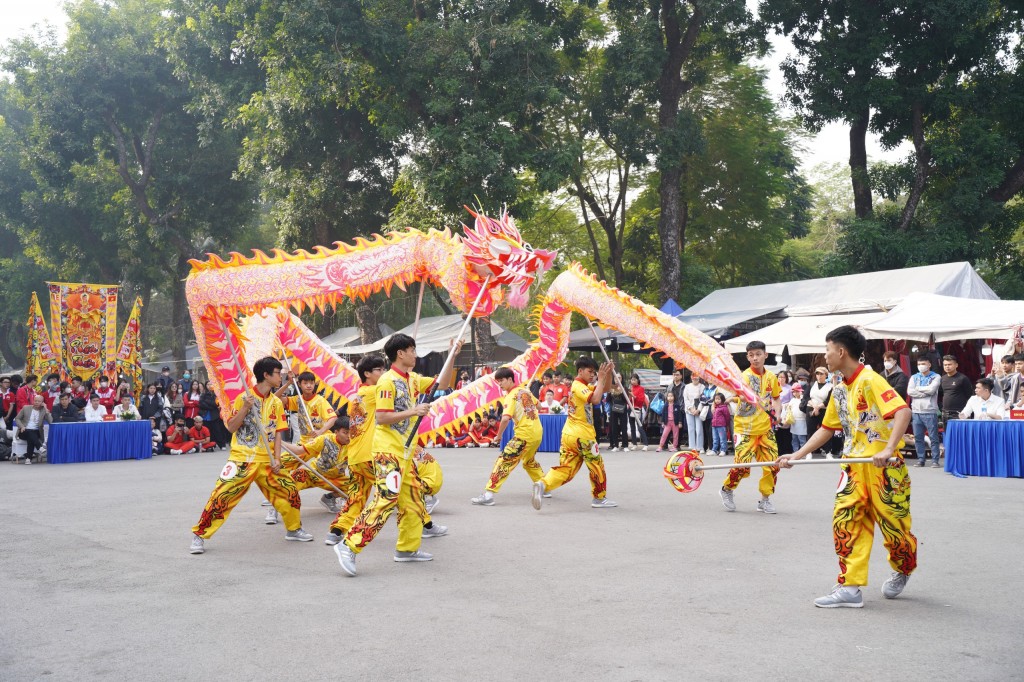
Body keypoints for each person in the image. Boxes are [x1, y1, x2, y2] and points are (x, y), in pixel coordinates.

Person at [779, 325, 916, 609]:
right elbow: (827, 429)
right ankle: (849, 587)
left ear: (841, 351)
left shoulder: (871, 380)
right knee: (845, 523)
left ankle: (904, 567)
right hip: (854, 468)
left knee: (896, 531)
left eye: (827, 351)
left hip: (885, 469)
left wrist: (888, 448)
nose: (824, 357)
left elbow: (902, 411)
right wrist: (797, 454)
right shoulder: (839, 389)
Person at [333, 334, 460, 576]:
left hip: (405, 452)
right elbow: (382, 417)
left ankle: (406, 550)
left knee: (413, 500)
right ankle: (348, 545)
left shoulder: (412, 379)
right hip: (387, 452)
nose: (416, 354)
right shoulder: (386, 382)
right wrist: (413, 411)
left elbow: (441, 384)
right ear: (400, 353)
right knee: (387, 498)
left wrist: (452, 354)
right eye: (412, 350)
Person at [189, 356, 312, 554]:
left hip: (268, 460)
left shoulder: (276, 403)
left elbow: (279, 432)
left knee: (290, 492)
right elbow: (231, 427)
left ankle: (294, 529)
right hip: (242, 459)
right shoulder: (243, 398)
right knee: (222, 496)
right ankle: (199, 535)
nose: (280, 377)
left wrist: (278, 459)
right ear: (266, 375)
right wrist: (246, 407)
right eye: (277, 373)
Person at [531, 355, 617, 510]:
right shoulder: (579, 386)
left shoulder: (581, 385)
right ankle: (599, 498)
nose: (593, 375)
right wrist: (602, 377)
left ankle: (543, 484)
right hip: (583, 436)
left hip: (569, 435)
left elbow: (604, 389)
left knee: (567, 469)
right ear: (580, 371)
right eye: (590, 371)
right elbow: (596, 399)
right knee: (597, 466)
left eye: (594, 372)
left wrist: (608, 374)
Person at [324, 354, 386, 546]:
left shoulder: (360, 394)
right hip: (369, 454)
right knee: (393, 493)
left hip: (356, 455)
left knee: (357, 497)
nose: (383, 373)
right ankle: (425, 524)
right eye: (379, 370)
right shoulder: (374, 392)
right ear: (367, 373)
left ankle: (336, 531)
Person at [720, 340, 782, 514]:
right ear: (747, 357)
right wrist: (735, 396)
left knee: (773, 465)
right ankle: (727, 489)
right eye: (751, 355)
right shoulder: (743, 377)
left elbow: (776, 398)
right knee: (742, 465)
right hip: (744, 429)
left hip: (765, 430)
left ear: (765, 355)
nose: (755, 358)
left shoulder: (772, 377)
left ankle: (765, 499)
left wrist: (777, 413)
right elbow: (732, 393)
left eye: (758, 354)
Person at [471, 367, 546, 506]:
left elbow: (505, 419)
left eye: (502, 381)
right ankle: (545, 484)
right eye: (498, 381)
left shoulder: (511, 396)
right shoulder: (525, 391)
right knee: (529, 462)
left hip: (524, 435)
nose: (499, 384)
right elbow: (540, 406)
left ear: (510, 379)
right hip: (537, 433)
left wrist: (498, 436)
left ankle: (489, 494)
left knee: (503, 461)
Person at [908, 357, 941, 467]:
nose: (921, 365)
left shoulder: (936, 376)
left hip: (930, 411)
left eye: (923, 363)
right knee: (918, 437)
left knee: (933, 437)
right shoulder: (914, 377)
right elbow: (910, 391)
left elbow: (932, 390)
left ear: (929, 364)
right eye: (919, 363)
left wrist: (918, 389)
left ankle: (935, 460)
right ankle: (921, 459)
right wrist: (924, 392)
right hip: (916, 411)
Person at [801, 368, 833, 456]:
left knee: (826, 430)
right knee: (810, 430)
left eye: (821, 374)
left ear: (826, 375)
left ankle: (827, 451)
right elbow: (806, 397)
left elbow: (828, 400)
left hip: (823, 409)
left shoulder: (830, 386)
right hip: (811, 408)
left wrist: (818, 407)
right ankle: (808, 452)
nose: (819, 376)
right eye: (817, 374)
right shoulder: (811, 384)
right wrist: (814, 406)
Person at [14, 394, 51, 464]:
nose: (36, 402)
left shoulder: (43, 411)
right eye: (35, 401)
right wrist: (22, 426)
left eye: (39, 401)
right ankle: (39, 447)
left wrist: (46, 409)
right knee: (29, 433)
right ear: (33, 401)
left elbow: (50, 421)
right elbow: (17, 418)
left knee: (31, 436)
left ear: (42, 403)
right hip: (23, 431)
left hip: (36, 432)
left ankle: (28, 458)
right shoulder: (26, 408)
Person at [939, 355, 973, 425]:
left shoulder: (963, 378)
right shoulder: (943, 378)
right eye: (945, 365)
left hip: (959, 412)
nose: (947, 366)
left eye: (949, 364)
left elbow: (970, 395)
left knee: (961, 434)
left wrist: (966, 411)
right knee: (947, 434)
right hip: (945, 413)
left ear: (956, 365)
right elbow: (941, 394)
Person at [683, 372, 704, 452]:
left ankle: (700, 446)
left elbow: (703, 399)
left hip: (699, 409)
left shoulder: (702, 386)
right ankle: (692, 446)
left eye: (696, 377)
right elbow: (685, 399)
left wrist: (698, 410)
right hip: (689, 410)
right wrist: (690, 408)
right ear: (691, 377)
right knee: (691, 428)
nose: (695, 378)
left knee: (699, 429)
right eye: (693, 377)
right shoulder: (687, 387)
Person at [607, 379, 630, 451]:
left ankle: (625, 445)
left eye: (619, 377)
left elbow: (626, 400)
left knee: (624, 427)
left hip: (622, 408)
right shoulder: (612, 387)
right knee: (614, 427)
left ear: (622, 379)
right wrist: (609, 393)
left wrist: (621, 391)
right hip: (614, 409)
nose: (617, 379)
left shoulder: (624, 388)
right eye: (616, 378)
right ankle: (615, 445)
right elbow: (608, 400)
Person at [710, 393, 731, 457]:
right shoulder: (715, 407)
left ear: (722, 400)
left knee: (722, 438)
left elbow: (727, 416)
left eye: (719, 399)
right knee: (715, 438)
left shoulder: (724, 407)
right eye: (716, 399)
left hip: (721, 425)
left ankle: (723, 450)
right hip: (714, 425)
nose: (717, 400)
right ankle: (714, 450)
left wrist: (727, 425)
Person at [789, 383, 808, 452]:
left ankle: (803, 452)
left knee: (802, 438)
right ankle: (795, 451)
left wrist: (802, 397)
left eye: (797, 391)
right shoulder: (792, 400)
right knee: (794, 438)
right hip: (794, 421)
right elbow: (789, 408)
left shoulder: (803, 400)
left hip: (802, 420)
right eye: (794, 392)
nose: (795, 393)